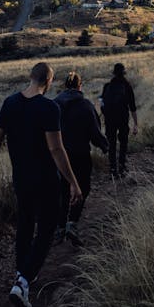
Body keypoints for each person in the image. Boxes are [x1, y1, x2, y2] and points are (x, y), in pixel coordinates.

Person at [0, 62, 82, 307]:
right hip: (46, 181)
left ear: (30, 77)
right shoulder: (50, 108)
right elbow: (56, 149)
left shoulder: (10, 103)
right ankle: (24, 281)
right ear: (48, 82)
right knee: (47, 230)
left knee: (26, 225)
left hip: (21, 179)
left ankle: (22, 275)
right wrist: (72, 181)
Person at [54, 71, 108, 247]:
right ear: (80, 86)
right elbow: (94, 132)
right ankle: (72, 222)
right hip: (80, 154)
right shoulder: (86, 105)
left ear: (64, 86)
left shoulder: (54, 105)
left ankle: (60, 227)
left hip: (59, 155)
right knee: (83, 187)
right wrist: (104, 145)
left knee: (61, 189)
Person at [101, 62, 138, 178]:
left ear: (114, 73)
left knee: (111, 144)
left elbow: (102, 103)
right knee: (123, 143)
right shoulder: (127, 86)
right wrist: (136, 124)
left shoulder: (107, 86)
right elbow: (132, 106)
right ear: (123, 73)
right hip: (122, 119)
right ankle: (122, 167)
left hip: (110, 119)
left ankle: (113, 169)